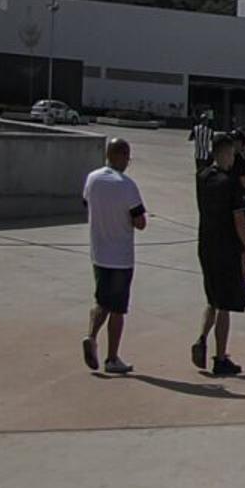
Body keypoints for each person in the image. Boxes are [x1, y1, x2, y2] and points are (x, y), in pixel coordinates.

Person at [187, 127, 245, 378]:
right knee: (225, 305)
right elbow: (239, 219)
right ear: (225, 154)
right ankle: (220, 357)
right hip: (226, 247)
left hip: (206, 243)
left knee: (213, 298)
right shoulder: (230, 184)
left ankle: (202, 337)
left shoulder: (202, 176)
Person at [80, 140, 147, 376]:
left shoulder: (92, 179)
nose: (128, 162)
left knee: (102, 300)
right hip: (120, 256)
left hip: (98, 252)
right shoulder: (127, 185)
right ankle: (112, 357)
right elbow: (140, 223)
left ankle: (91, 336)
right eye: (127, 157)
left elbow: (86, 204)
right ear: (120, 156)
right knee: (117, 309)